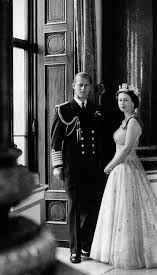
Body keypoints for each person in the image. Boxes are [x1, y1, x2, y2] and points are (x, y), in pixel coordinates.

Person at [90, 83, 157, 269]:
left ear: (133, 103)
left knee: (129, 212)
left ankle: (133, 254)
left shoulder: (133, 122)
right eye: (120, 100)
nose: (122, 103)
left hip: (128, 169)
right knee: (119, 211)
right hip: (120, 170)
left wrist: (110, 166)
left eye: (126, 100)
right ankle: (113, 251)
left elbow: (127, 149)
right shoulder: (124, 121)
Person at [51, 72, 104, 264]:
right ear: (73, 86)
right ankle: (75, 250)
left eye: (86, 86)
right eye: (80, 85)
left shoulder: (97, 110)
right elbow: (56, 141)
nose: (83, 89)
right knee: (75, 206)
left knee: (93, 206)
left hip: (93, 168)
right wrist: (57, 166)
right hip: (72, 168)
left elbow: (101, 141)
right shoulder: (64, 110)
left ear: (90, 88)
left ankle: (85, 244)